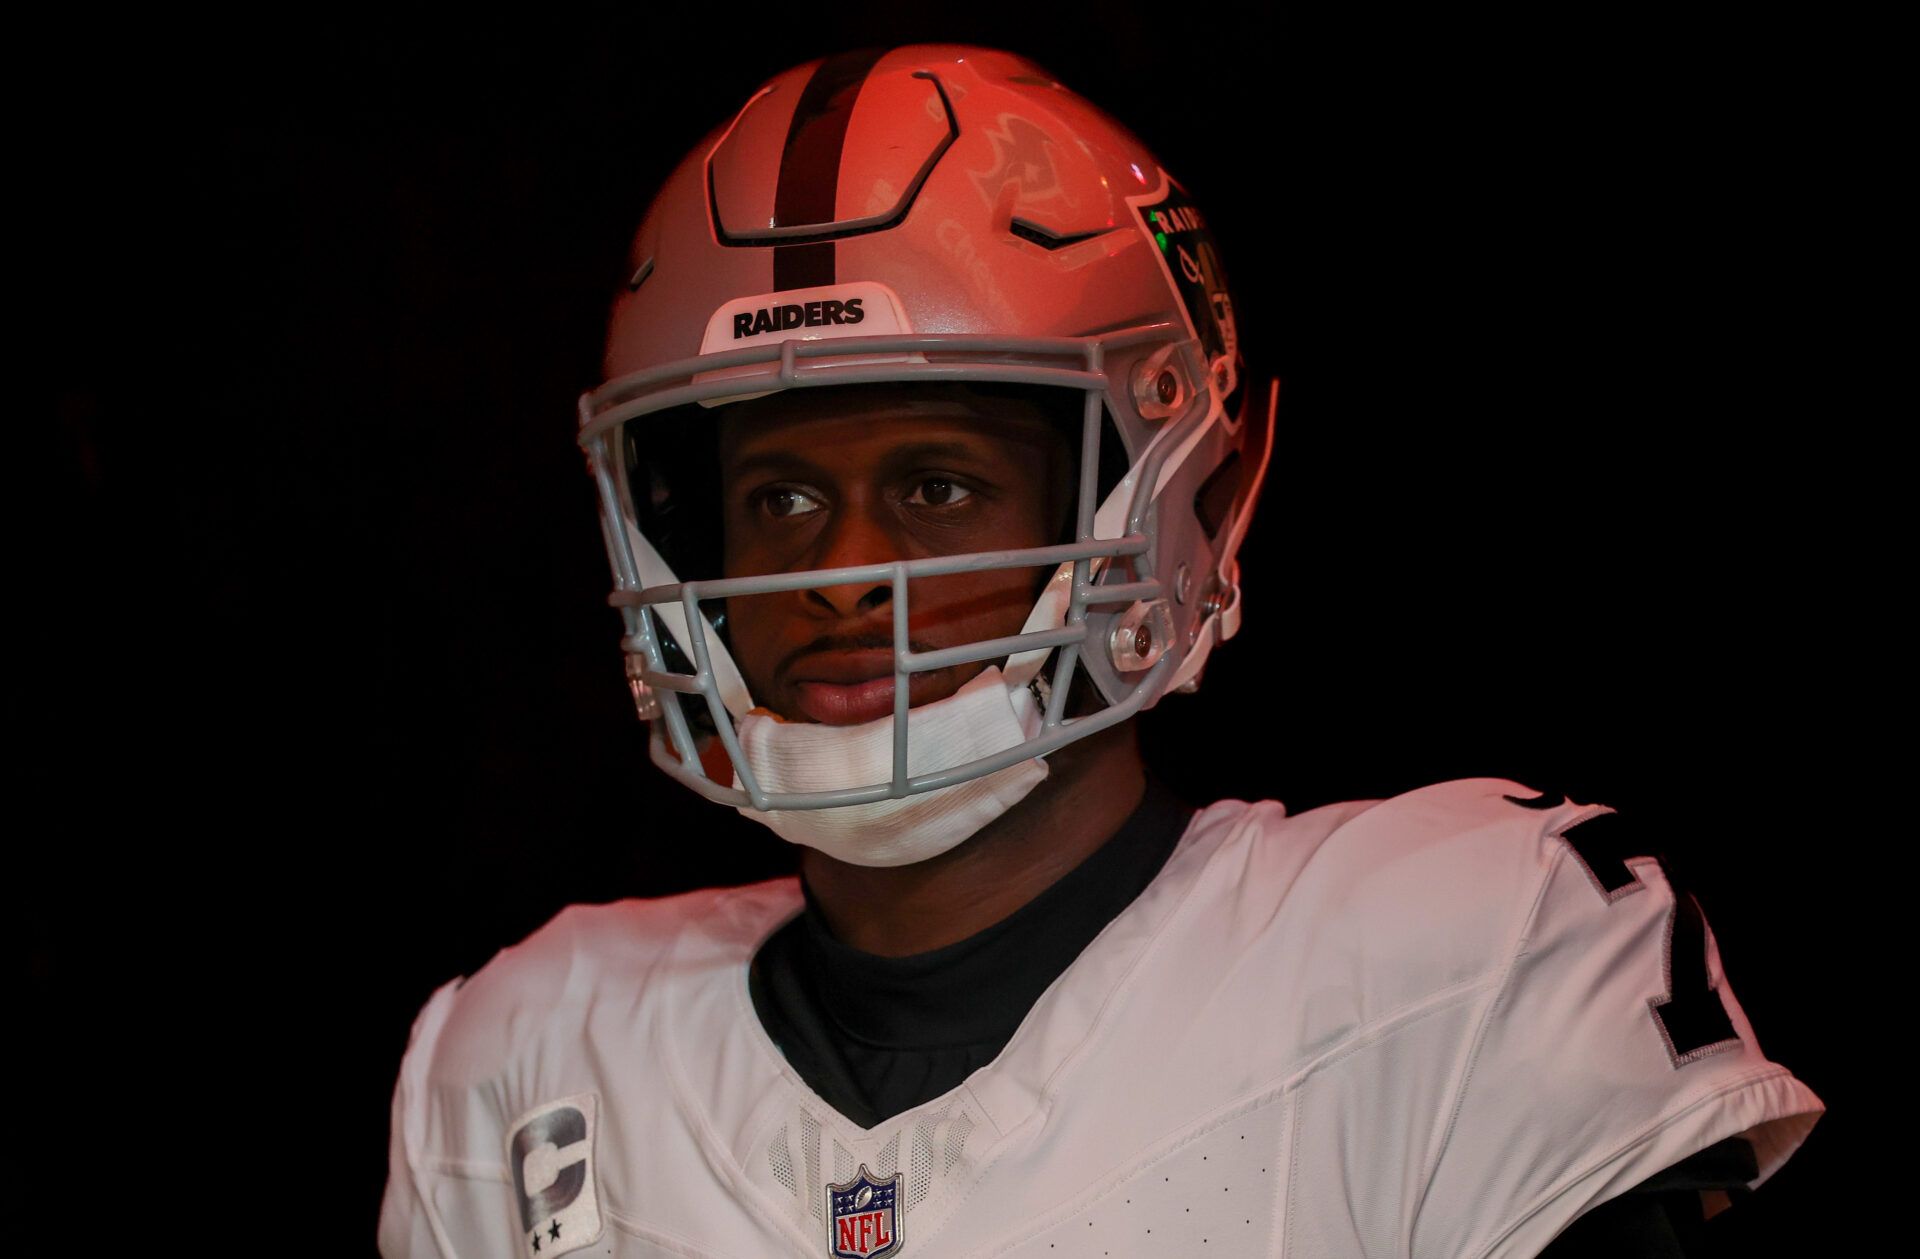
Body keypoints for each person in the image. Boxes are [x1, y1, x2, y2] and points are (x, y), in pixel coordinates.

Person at [378, 44, 1823, 1258]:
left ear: (1172, 491)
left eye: (937, 488)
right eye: (781, 498)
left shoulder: (1460, 958)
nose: (837, 574)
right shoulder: (528, 1055)